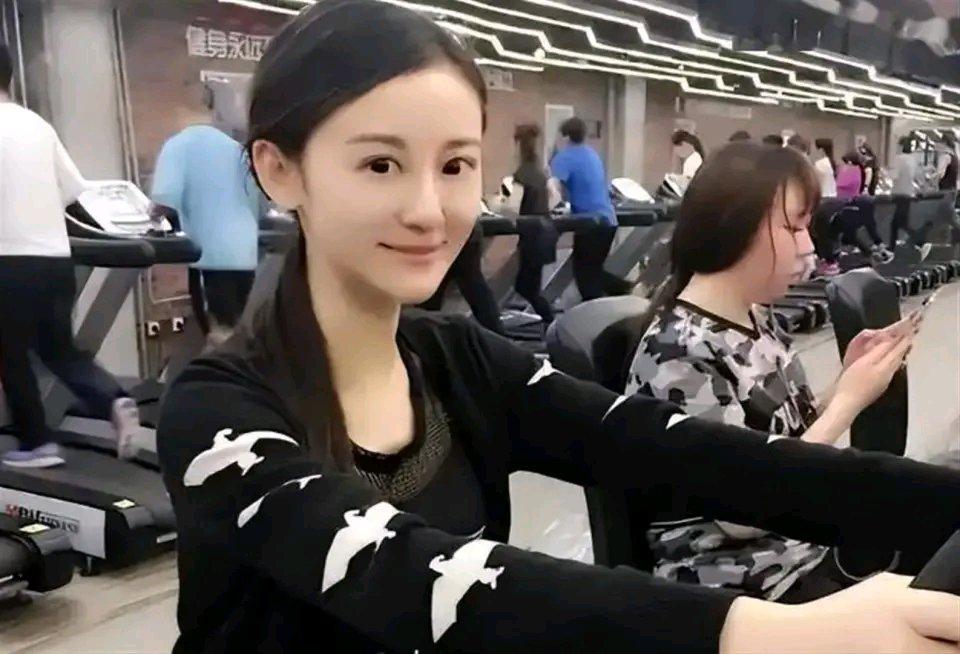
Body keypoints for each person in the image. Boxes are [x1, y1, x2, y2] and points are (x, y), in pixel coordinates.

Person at [156, 4, 960, 653]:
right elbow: (422, 578)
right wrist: (778, 634)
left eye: (455, 166)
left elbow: (692, 453)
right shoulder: (216, 412)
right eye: (380, 165)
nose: (428, 210)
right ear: (278, 169)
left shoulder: (460, 362)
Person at [625, 142, 918, 602]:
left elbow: (783, 437)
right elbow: (741, 511)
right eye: (793, 227)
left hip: (803, 551)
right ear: (736, 227)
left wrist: (846, 379)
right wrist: (848, 403)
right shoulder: (679, 351)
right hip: (744, 588)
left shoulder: (756, 318)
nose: (808, 246)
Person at [0, 43, 140, 466]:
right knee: (59, 349)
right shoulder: (37, 125)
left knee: (10, 354)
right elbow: (73, 190)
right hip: (55, 260)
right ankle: (112, 400)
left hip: (8, 261)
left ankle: (36, 442)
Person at [151, 86, 262, 348]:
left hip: (210, 256)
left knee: (218, 332)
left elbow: (164, 199)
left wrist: (150, 218)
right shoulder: (237, 149)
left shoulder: (178, 146)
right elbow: (258, 201)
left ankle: (225, 373)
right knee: (242, 330)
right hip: (246, 255)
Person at [548, 117, 624, 301]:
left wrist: (549, 211)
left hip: (590, 223)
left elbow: (553, 190)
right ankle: (629, 290)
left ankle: (598, 315)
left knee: (586, 279)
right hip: (608, 221)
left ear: (565, 137)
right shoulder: (592, 154)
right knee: (593, 272)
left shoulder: (564, 157)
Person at [419, 220, 505, 334]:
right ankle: (426, 331)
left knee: (470, 285)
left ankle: (425, 331)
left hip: (453, 232)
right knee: (467, 285)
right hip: (460, 232)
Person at [511, 123, 558, 325]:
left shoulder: (521, 174)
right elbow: (554, 198)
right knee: (530, 287)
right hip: (545, 232)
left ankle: (551, 321)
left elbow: (511, 207)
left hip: (531, 236)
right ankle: (549, 321)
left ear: (518, 145)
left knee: (525, 287)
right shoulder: (541, 172)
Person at [823, 151, 894, 267]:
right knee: (854, 229)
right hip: (851, 203)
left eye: (846, 162)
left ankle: (872, 250)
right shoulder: (857, 170)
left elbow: (841, 184)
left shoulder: (848, 170)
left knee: (843, 230)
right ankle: (876, 248)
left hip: (845, 204)